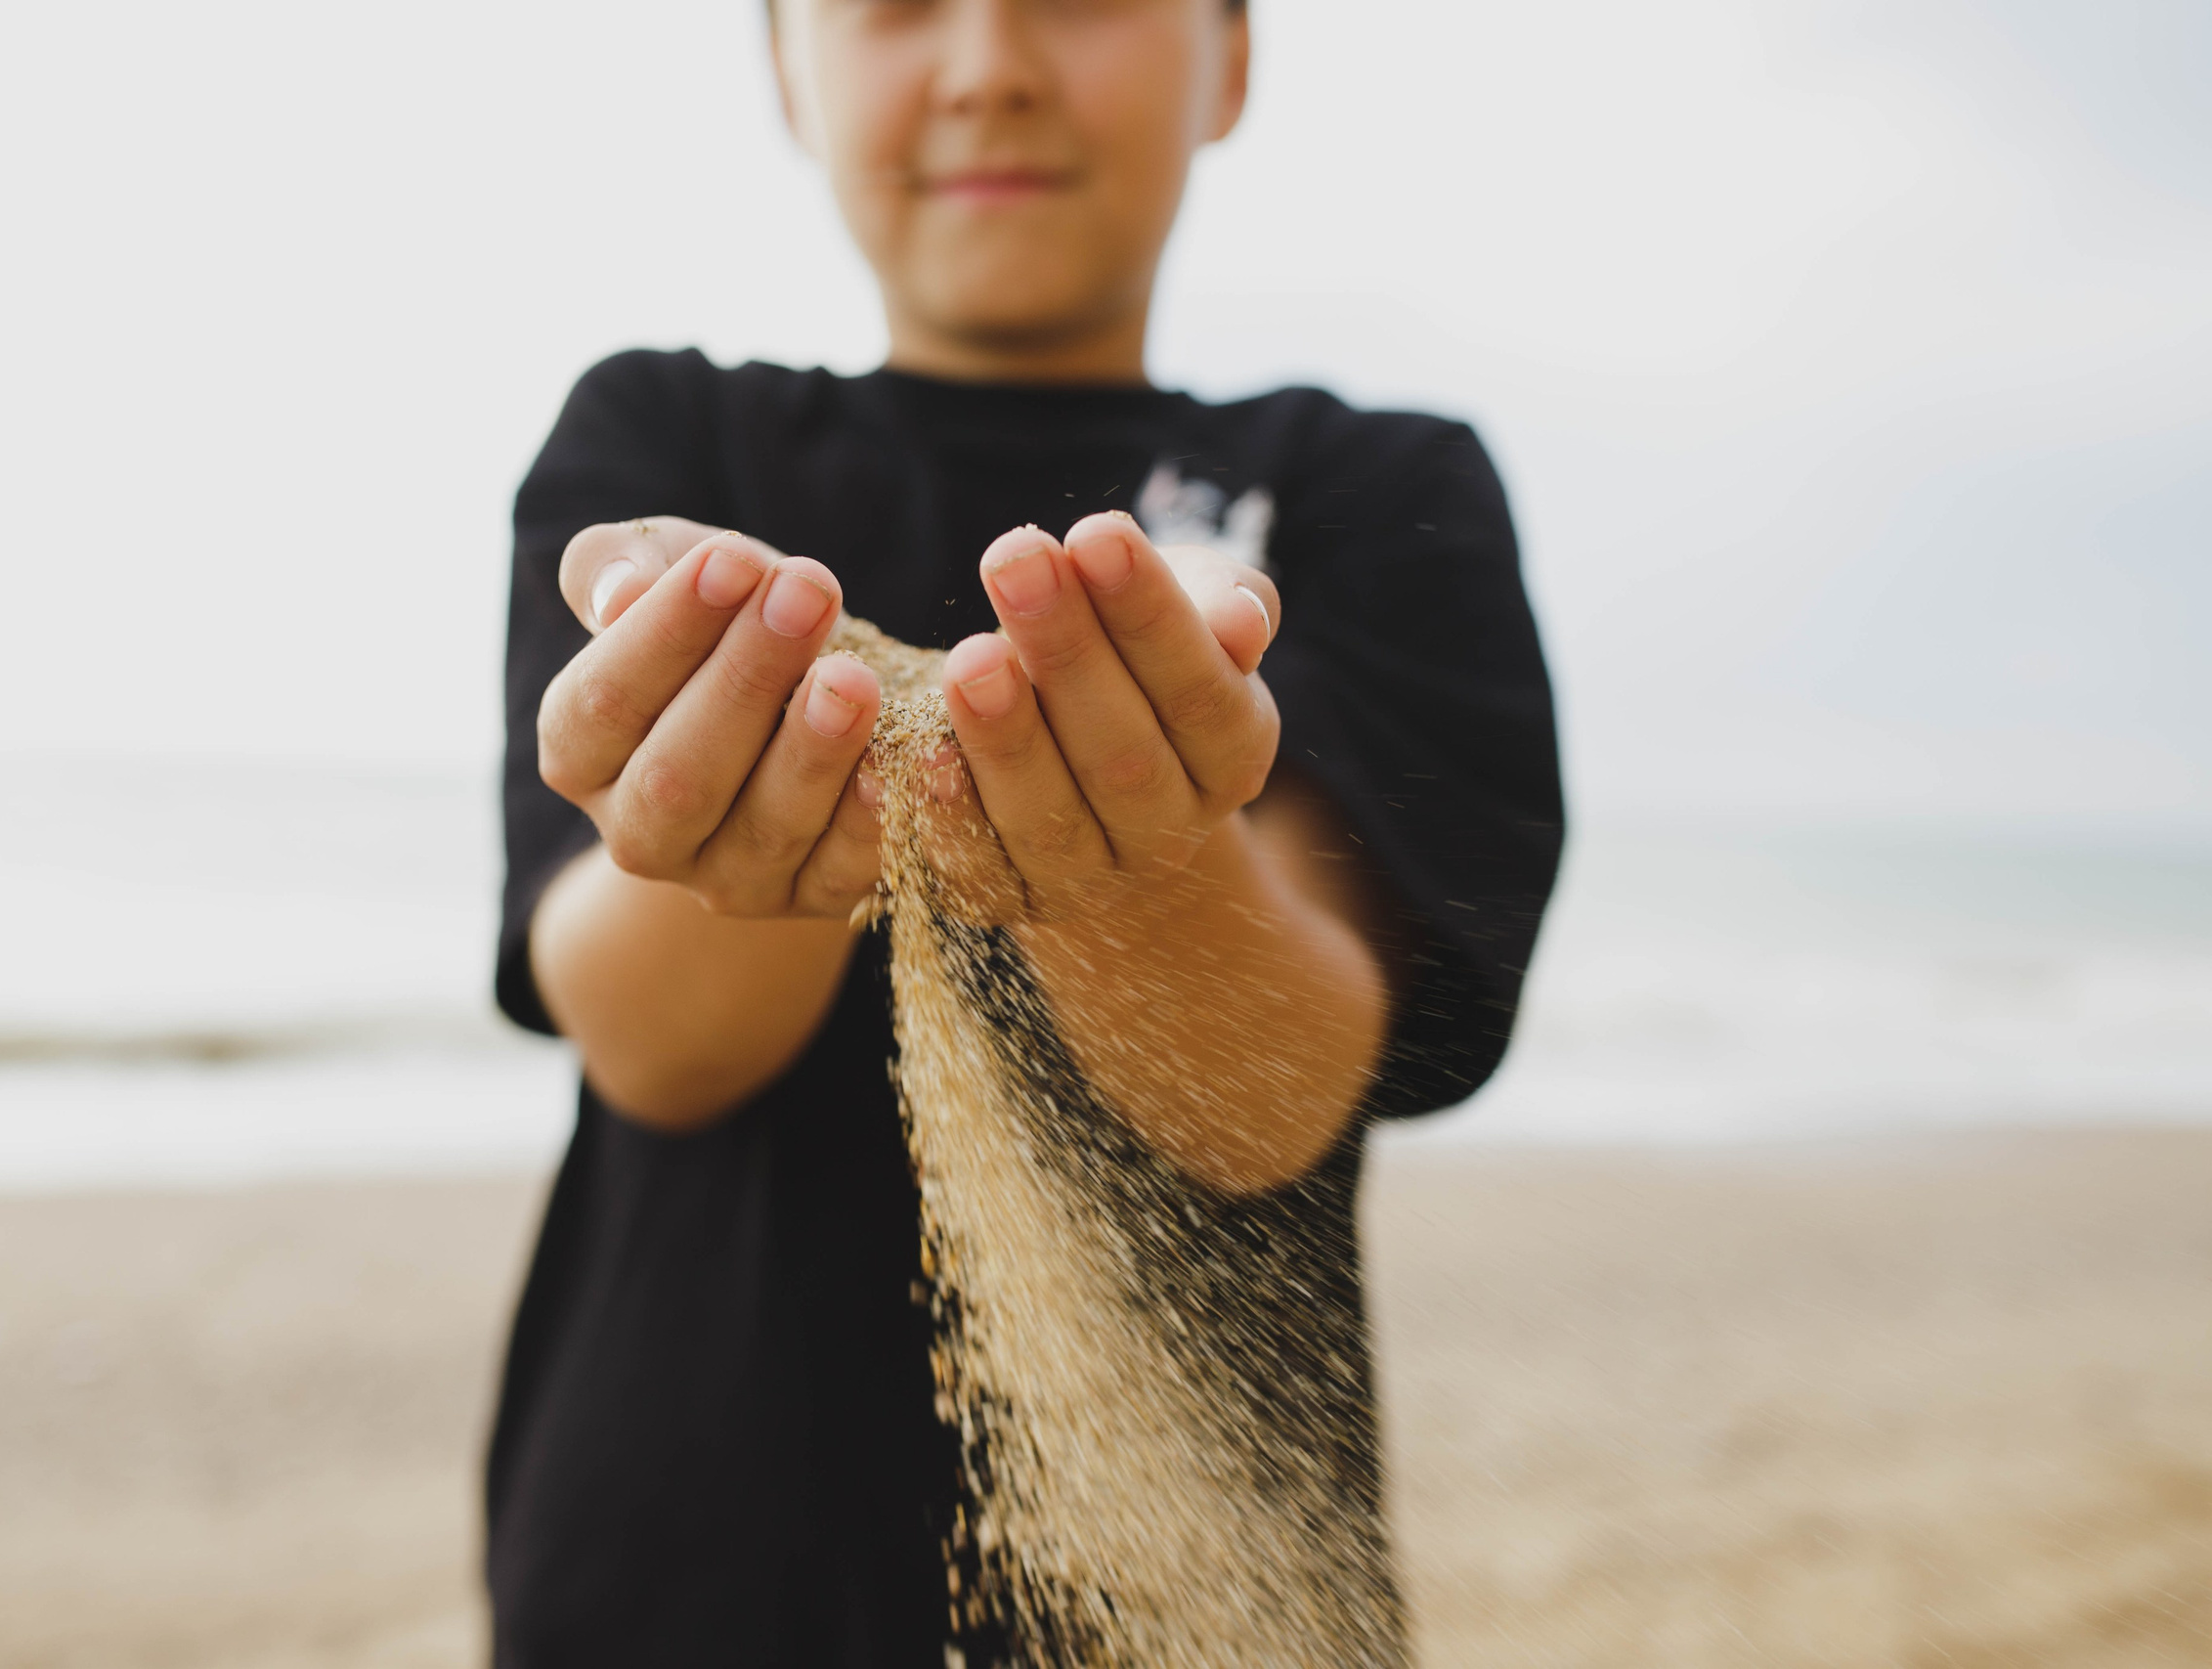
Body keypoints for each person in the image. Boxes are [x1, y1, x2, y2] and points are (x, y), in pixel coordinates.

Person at [486, 1, 1562, 1663]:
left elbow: (1271, 1096)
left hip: (1192, 1601)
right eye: (896, 6)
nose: (988, 66)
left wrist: (1140, 852)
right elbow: (649, 1044)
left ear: (1232, 56)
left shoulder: (1369, 486)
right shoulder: (666, 444)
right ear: (787, 68)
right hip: (666, 1573)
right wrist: (776, 755)